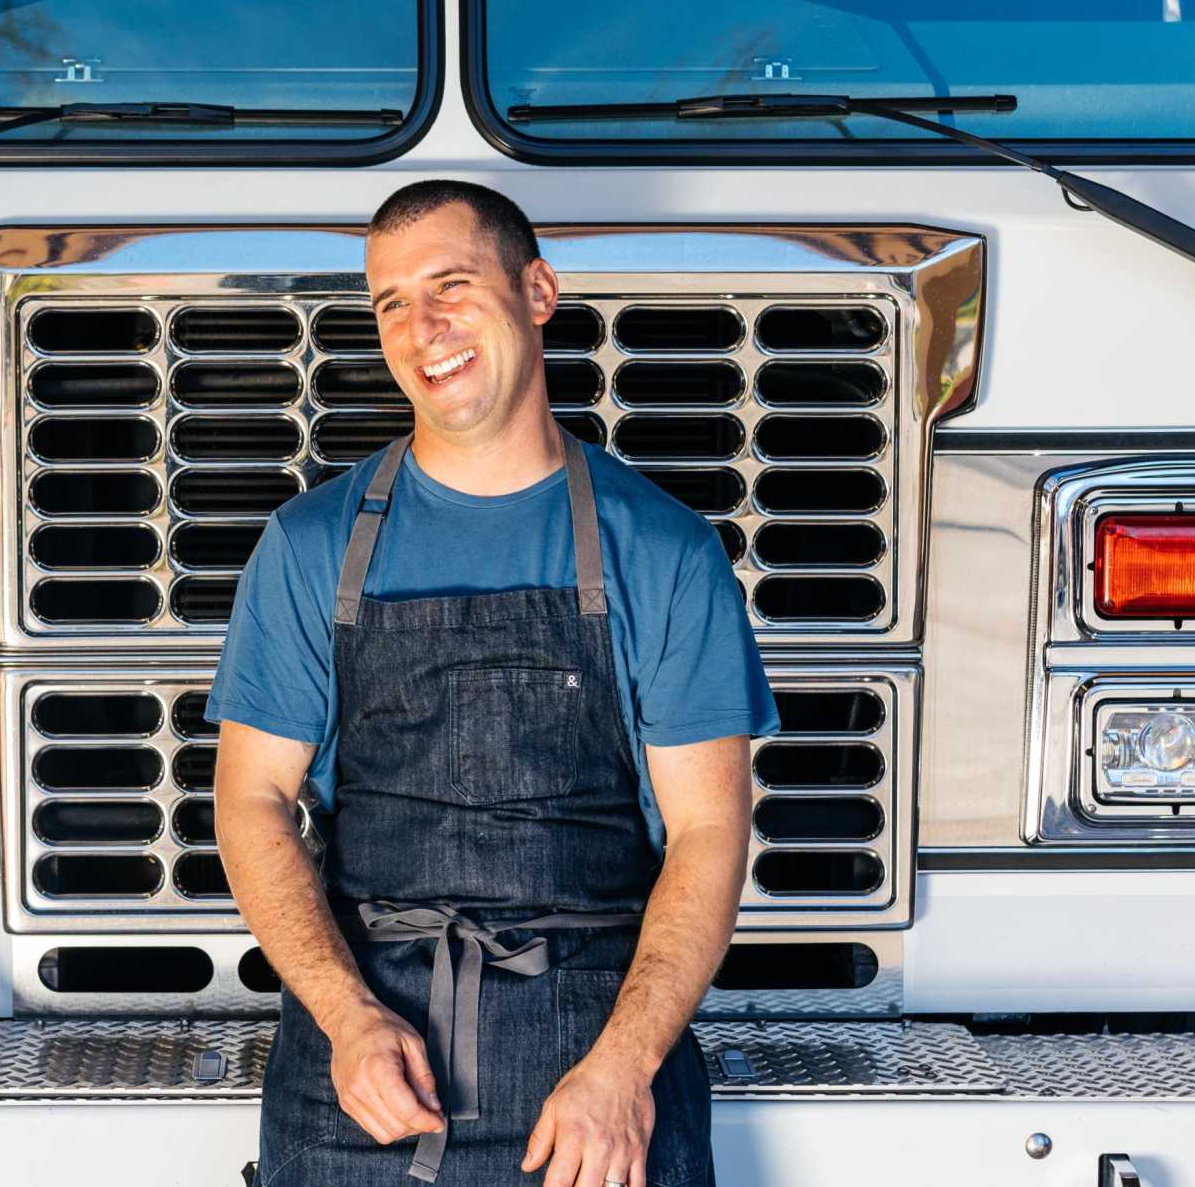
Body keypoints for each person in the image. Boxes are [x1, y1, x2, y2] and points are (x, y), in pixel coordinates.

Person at [210, 179, 778, 1187]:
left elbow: (706, 832)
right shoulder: (311, 547)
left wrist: (621, 1069)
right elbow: (251, 801)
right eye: (390, 303)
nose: (420, 327)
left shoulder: (663, 551)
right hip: (362, 1076)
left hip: (591, 1078)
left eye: (451, 286)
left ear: (538, 292)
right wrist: (347, 1022)